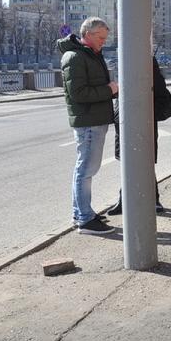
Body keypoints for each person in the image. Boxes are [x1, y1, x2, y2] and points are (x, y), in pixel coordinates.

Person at [57, 17, 118, 235]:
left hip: (94, 119)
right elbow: (79, 93)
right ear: (88, 35)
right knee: (85, 170)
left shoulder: (89, 55)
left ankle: (82, 212)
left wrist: (112, 90)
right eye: (101, 37)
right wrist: (110, 90)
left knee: (86, 169)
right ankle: (84, 218)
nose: (104, 41)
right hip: (89, 121)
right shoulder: (74, 57)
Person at [108, 56, 171, 215]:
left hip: (141, 114)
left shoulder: (139, 57)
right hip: (128, 115)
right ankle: (126, 199)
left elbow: (159, 88)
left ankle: (151, 199)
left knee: (143, 158)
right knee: (129, 158)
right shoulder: (129, 54)